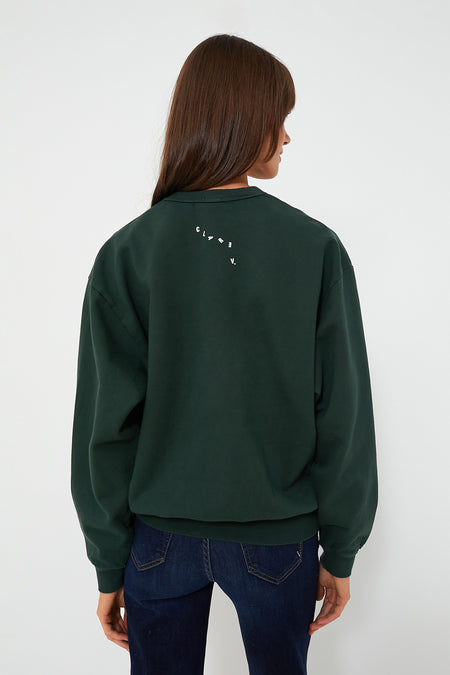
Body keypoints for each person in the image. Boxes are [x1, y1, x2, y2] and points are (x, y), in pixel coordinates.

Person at [71, 33, 378, 674]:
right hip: (278, 541)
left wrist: (109, 561)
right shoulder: (314, 248)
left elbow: (105, 427)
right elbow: (342, 413)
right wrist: (342, 548)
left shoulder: (128, 252)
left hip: (158, 542)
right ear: (240, 118)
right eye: (278, 118)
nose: (287, 137)